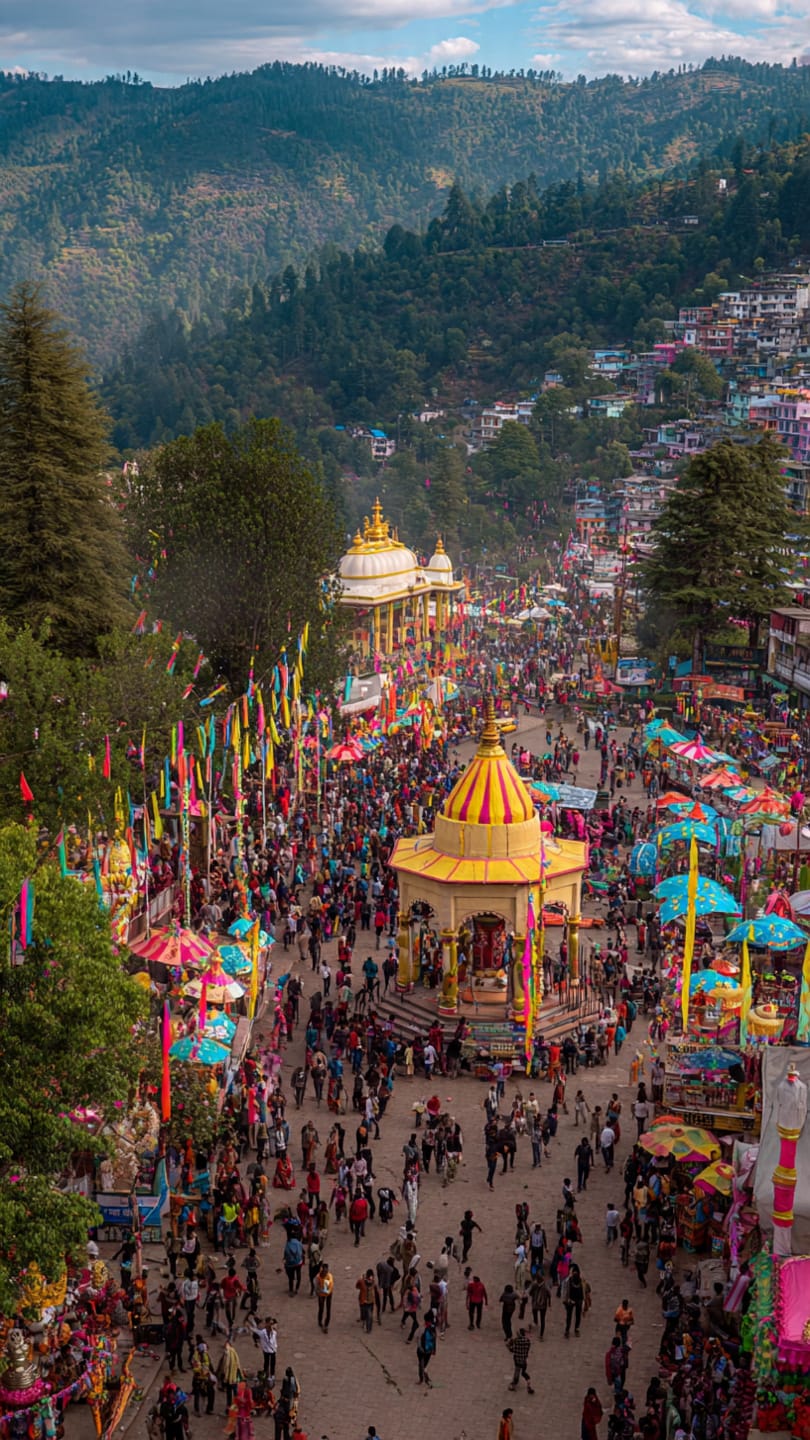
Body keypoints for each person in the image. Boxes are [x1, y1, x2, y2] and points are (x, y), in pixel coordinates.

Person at [506, 1328, 534, 1394]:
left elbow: (511, 1350)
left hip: (517, 1360)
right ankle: (529, 1385)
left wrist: (509, 1345)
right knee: (523, 1373)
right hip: (524, 1360)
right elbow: (527, 1349)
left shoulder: (516, 1341)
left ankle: (514, 1384)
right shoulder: (527, 1341)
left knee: (517, 1370)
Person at [416, 1314, 436, 1387]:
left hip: (424, 1350)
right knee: (423, 1364)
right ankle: (424, 1377)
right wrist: (434, 1349)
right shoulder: (431, 1327)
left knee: (422, 1365)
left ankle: (422, 1378)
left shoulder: (422, 1328)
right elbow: (434, 1339)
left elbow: (417, 1338)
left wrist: (420, 1347)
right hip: (428, 1350)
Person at [315, 1262, 333, 1331]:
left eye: (326, 1271)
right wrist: (318, 1293)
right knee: (321, 1308)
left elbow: (327, 1290)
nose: (325, 1272)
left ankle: (326, 1325)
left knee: (328, 1309)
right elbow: (316, 1287)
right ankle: (320, 1321)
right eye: (323, 1271)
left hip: (328, 1293)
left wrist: (320, 1291)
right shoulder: (318, 1277)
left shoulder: (329, 1277)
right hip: (321, 1294)